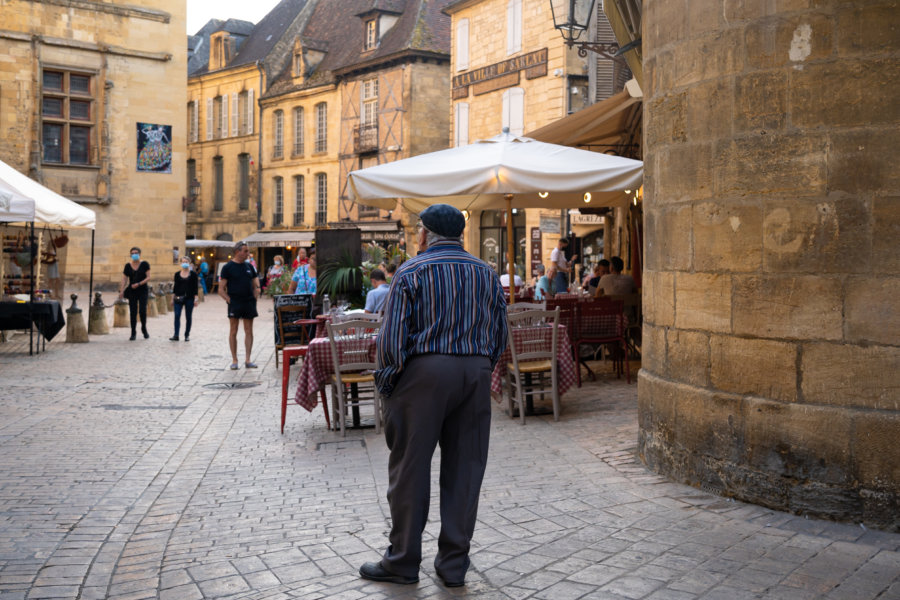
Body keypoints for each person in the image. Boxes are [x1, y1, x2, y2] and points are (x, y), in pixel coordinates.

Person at [359, 204, 508, 588]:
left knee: (409, 468)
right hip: (473, 371)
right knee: (466, 469)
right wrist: (479, 368)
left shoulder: (411, 270)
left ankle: (404, 560)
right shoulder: (486, 273)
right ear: (459, 234)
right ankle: (453, 565)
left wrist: (389, 382)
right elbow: (499, 333)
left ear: (425, 233)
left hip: (424, 373)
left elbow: (391, 338)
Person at [219, 242, 260, 369]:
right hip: (235, 302)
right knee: (233, 330)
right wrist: (229, 300)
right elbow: (221, 289)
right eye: (246, 251)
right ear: (238, 252)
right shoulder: (228, 267)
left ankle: (248, 360)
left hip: (248, 302)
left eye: (248, 251)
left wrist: (257, 291)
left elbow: (255, 282)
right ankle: (234, 360)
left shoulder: (249, 266)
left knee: (249, 330)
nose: (248, 254)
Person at [118, 246, 151, 340]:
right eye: (132, 253)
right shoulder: (127, 266)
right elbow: (124, 279)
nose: (134, 254)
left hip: (143, 290)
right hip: (132, 291)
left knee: (142, 311)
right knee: (133, 312)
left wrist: (139, 283)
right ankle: (133, 332)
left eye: (136, 253)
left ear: (139, 254)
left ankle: (144, 328)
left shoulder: (145, 264)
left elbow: (148, 277)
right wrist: (122, 290)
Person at [170, 256, 199, 341]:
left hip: (189, 298)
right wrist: (172, 298)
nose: (184, 263)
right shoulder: (177, 274)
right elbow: (175, 288)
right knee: (177, 315)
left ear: (189, 263)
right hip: (178, 298)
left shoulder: (193, 275)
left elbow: (195, 288)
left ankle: (187, 335)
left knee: (188, 317)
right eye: (183, 262)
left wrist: (196, 299)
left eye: (186, 262)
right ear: (180, 263)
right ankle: (176, 335)